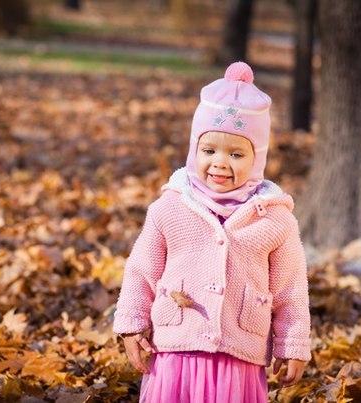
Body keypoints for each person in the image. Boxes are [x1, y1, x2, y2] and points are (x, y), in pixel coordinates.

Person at [112, 61, 312, 402]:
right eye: (209, 151)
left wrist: (291, 344)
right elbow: (141, 271)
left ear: (257, 159)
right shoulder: (170, 208)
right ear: (194, 151)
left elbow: (290, 290)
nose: (220, 162)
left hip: (238, 357)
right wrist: (132, 324)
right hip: (176, 351)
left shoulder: (275, 220)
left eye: (236, 154)